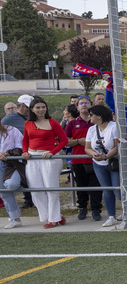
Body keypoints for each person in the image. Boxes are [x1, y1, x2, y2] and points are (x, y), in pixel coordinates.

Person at [21, 95, 69, 228]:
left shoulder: (52, 122)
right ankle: (49, 216)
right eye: (38, 107)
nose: (41, 109)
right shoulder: (27, 123)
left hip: (49, 158)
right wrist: (25, 151)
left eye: (43, 107)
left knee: (51, 188)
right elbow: (25, 140)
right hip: (32, 158)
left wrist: (52, 152)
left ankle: (53, 218)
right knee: (36, 190)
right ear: (32, 109)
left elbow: (64, 141)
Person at [63, 96, 102, 221]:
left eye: (86, 103)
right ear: (77, 107)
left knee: (96, 186)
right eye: (81, 103)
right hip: (78, 160)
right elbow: (65, 141)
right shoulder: (72, 124)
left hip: (96, 159)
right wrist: (78, 141)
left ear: (91, 105)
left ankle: (96, 209)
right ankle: (83, 208)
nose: (84, 105)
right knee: (81, 186)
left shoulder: (97, 122)